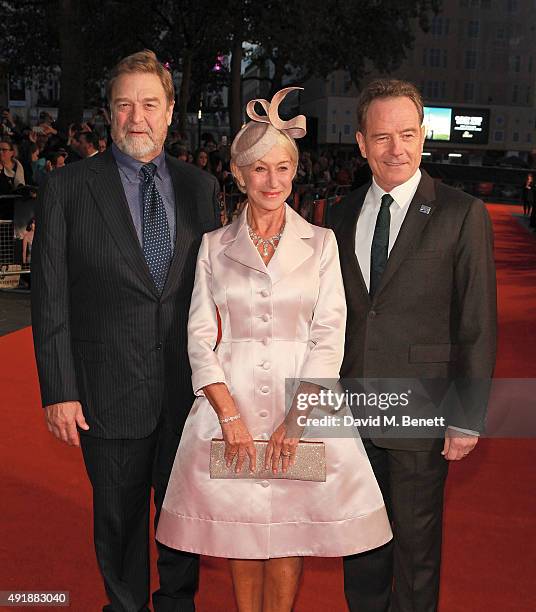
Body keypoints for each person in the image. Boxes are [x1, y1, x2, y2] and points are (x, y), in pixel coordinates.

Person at [156, 87, 392, 612]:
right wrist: (229, 417)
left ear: (294, 172)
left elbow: (330, 335)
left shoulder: (322, 244)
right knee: (241, 525)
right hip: (228, 404)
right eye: (259, 170)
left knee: (289, 524)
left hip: (302, 404)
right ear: (238, 175)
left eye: (283, 168)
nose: (273, 181)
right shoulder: (214, 247)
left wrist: (297, 419)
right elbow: (199, 336)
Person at [31, 49, 221, 612]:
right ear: (108, 114)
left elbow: (213, 292)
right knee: (117, 519)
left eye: (149, 104)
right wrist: (59, 389)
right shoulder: (68, 189)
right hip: (106, 386)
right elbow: (50, 296)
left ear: (169, 114)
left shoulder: (200, 188)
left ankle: (177, 602)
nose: (136, 117)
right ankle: (126, 604)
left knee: (184, 510)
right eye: (123, 105)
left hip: (188, 391)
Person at [330, 79, 497, 612]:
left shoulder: (460, 213)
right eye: (382, 137)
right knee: (358, 547)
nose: (396, 148)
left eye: (407, 134)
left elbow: (476, 321)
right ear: (361, 143)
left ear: (423, 135)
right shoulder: (335, 213)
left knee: (416, 554)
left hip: (421, 410)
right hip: (351, 410)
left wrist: (466, 415)